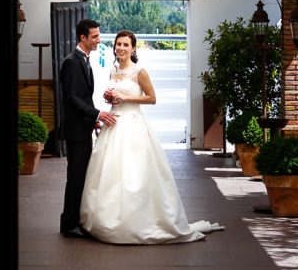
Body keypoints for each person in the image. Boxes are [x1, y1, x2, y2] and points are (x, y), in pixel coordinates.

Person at [80, 30, 223, 244]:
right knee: (110, 174)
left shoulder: (140, 72)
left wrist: (125, 97)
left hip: (133, 124)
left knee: (134, 173)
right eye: (118, 44)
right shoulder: (113, 69)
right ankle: (107, 219)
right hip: (114, 123)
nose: (120, 48)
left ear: (133, 48)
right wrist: (109, 97)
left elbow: (152, 98)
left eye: (126, 45)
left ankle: (137, 221)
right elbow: (114, 96)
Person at [59, 19, 118, 238]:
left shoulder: (83, 60)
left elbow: (84, 96)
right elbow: (72, 98)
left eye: (98, 35)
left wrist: (92, 119)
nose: (98, 40)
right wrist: (97, 114)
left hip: (82, 127)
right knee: (75, 177)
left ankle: (74, 221)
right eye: (94, 36)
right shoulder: (72, 62)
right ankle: (69, 225)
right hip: (75, 132)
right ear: (82, 38)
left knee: (80, 176)